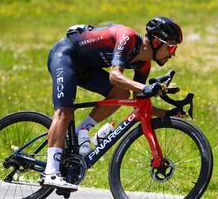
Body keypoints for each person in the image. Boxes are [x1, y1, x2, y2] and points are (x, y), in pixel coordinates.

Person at [40, 16, 183, 190]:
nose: (173, 53)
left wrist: (168, 113)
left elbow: (141, 103)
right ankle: (50, 172)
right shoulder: (127, 37)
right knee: (65, 112)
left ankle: (81, 131)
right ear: (156, 41)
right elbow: (114, 76)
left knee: (122, 93)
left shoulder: (143, 64)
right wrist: (145, 87)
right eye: (171, 47)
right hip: (65, 55)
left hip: (85, 69)